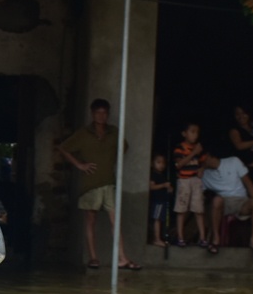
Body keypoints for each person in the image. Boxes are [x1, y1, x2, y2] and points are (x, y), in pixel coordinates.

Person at [55, 98, 139, 270]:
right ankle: (93, 257)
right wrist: (79, 165)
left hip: (109, 182)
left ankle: (122, 258)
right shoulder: (84, 133)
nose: (101, 116)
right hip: (90, 183)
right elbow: (63, 148)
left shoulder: (113, 132)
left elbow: (123, 148)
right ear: (93, 114)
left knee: (115, 221)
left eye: (104, 113)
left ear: (107, 114)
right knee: (90, 220)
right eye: (98, 112)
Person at [201, 151, 253, 256]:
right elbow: (200, 196)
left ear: (209, 156)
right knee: (216, 200)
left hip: (241, 201)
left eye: (204, 159)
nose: (203, 162)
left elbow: (248, 183)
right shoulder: (204, 174)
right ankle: (216, 240)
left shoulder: (233, 161)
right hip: (224, 202)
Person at [171, 121, 207, 247]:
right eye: (192, 132)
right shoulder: (179, 148)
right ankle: (180, 238)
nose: (195, 135)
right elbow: (179, 165)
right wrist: (193, 153)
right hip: (184, 181)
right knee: (181, 209)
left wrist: (202, 169)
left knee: (199, 209)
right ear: (184, 134)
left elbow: (203, 162)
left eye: (197, 132)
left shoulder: (199, 148)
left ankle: (202, 238)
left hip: (196, 181)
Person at [147, 153, 172, 247]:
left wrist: (169, 189)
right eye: (158, 162)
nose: (161, 165)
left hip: (162, 201)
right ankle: (156, 239)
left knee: (161, 220)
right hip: (157, 201)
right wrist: (163, 185)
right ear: (152, 163)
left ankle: (159, 237)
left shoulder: (162, 175)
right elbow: (152, 187)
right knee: (157, 219)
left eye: (163, 163)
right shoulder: (153, 175)